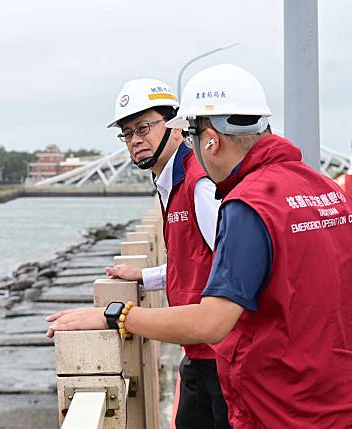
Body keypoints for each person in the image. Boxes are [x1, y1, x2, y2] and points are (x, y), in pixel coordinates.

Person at [46, 64, 352, 428]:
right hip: (334, 397)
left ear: (210, 140)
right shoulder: (327, 190)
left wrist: (116, 316)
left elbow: (212, 321)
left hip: (279, 403)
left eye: (191, 138)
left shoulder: (247, 204)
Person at [104, 78, 227, 428]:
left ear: (174, 126)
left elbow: (232, 263)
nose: (135, 139)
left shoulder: (199, 183)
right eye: (127, 133)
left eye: (144, 126)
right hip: (198, 348)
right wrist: (145, 276)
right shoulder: (171, 182)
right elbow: (195, 261)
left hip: (222, 353)